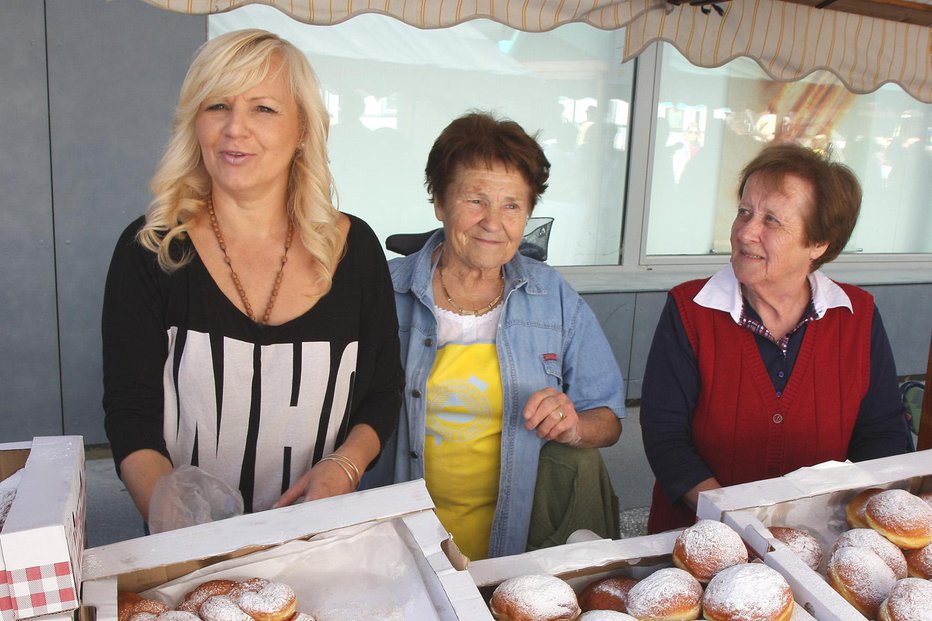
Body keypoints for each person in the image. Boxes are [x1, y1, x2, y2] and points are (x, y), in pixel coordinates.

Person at [102, 29, 402, 522]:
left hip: (319, 538)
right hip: (188, 553)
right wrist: (179, 530)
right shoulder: (152, 251)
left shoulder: (355, 250)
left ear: (303, 128)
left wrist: (346, 467)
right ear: (194, 123)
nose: (235, 129)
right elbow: (130, 412)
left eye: (263, 108)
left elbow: (381, 391)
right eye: (217, 105)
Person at [366, 112, 626, 560]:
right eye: (475, 200)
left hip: (517, 536)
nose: (493, 222)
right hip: (396, 538)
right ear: (440, 202)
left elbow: (608, 418)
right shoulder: (382, 291)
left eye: (512, 205)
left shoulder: (553, 297)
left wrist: (574, 424)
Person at [640, 142, 913, 534]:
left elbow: (883, 434)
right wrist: (733, 526)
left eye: (771, 221)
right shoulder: (690, 309)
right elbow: (666, 437)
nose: (746, 232)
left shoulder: (858, 315)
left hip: (826, 542)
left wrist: (856, 525)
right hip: (699, 543)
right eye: (744, 213)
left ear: (818, 243)